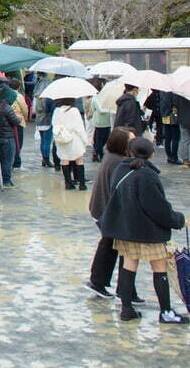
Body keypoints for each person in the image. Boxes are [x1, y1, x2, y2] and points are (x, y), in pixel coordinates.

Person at [99, 138, 189, 324]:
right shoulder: (147, 175)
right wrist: (179, 220)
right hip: (148, 231)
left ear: (129, 152)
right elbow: (158, 208)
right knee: (159, 267)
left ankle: (126, 309)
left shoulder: (121, 169)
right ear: (152, 154)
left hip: (126, 228)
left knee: (128, 266)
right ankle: (165, 311)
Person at [85, 127, 135, 299]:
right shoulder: (118, 162)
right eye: (131, 140)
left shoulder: (113, 157)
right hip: (107, 212)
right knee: (118, 247)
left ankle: (105, 283)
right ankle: (115, 287)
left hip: (103, 210)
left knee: (111, 246)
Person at [53, 97, 89, 190]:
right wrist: (85, 140)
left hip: (62, 138)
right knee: (79, 160)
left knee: (64, 160)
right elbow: (79, 128)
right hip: (74, 139)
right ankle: (82, 184)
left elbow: (54, 125)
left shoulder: (57, 111)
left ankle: (68, 184)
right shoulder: (74, 111)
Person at [0, 86, 21, 188]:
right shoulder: (7, 107)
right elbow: (15, 121)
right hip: (8, 137)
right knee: (8, 160)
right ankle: (6, 180)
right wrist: (19, 118)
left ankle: (0, 178)